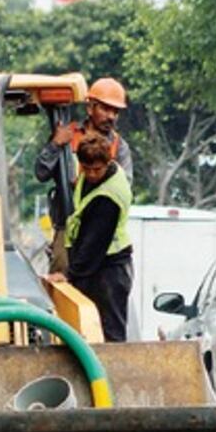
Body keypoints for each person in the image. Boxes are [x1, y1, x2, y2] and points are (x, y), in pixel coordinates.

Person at [35, 77, 133, 274]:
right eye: (105, 109)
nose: (111, 116)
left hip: (100, 232)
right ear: (90, 108)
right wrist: (55, 144)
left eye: (115, 111)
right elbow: (41, 172)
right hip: (66, 225)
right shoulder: (67, 135)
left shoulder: (119, 147)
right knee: (63, 286)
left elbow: (124, 189)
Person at [45, 132, 133, 342]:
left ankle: (111, 373)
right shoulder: (86, 176)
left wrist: (69, 274)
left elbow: (94, 244)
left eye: (97, 169)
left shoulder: (109, 196)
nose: (92, 174)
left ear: (108, 162)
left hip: (109, 269)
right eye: (87, 168)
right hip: (92, 267)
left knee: (110, 333)